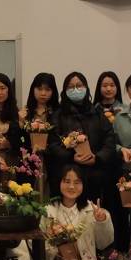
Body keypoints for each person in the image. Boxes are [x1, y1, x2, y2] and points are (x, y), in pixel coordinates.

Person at [42, 165, 114, 260]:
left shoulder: (91, 210)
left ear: (83, 185)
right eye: (66, 181)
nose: (71, 186)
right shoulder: (48, 210)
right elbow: (37, 241)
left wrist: (101, 222)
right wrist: (53, 250)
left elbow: (103, 243)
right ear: (59, 182)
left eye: (77, 182)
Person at [46, 71, 119, 212]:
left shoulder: (98, 114)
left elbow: (109, 142)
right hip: (67, 175)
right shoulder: (58, 115)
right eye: (71, 87)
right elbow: (53, 144)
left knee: (93, 214)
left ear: (86, 88)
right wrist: (71, 157)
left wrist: (97, 158)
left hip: (95, 176)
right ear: (65, 91)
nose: (76, 90)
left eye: (79, 86)